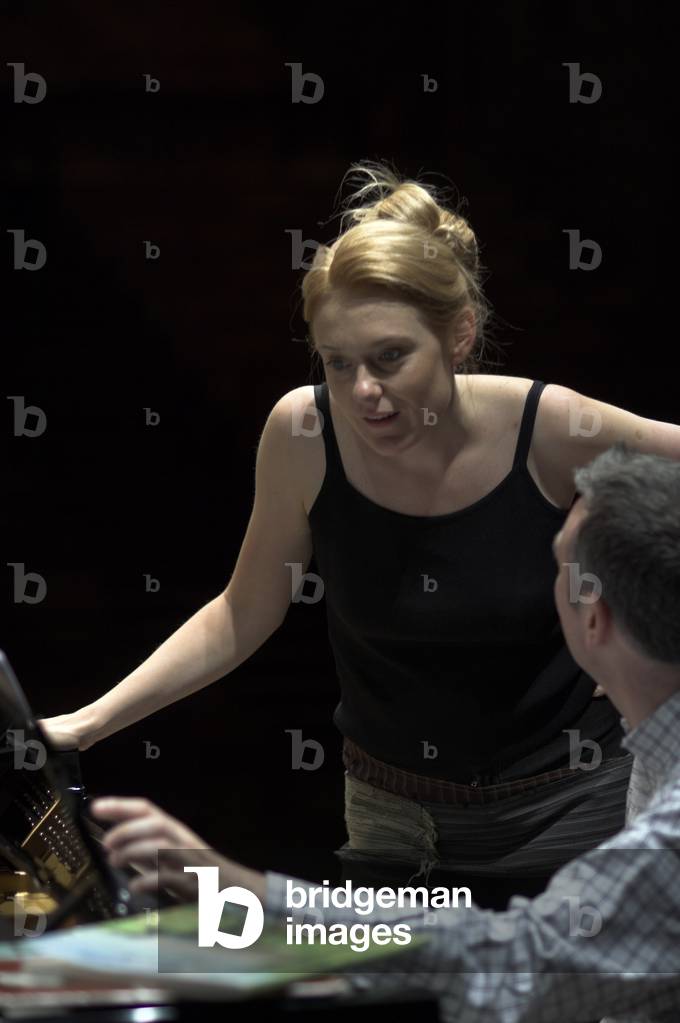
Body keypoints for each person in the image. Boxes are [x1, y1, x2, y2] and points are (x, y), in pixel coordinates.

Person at [37, 161, 680, 908]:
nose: (363, 392)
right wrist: (84, 724)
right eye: (338, 363)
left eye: (389, 357)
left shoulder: (548, 426)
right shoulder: (303, 431)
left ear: (460, 335)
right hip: (394, 819)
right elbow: (243, 610)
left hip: (573, 807)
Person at [90, 444, 680, 1023]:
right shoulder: (655, 743)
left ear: (594, 618)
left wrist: (245, 893)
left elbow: (519, 961)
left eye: (558, 566)